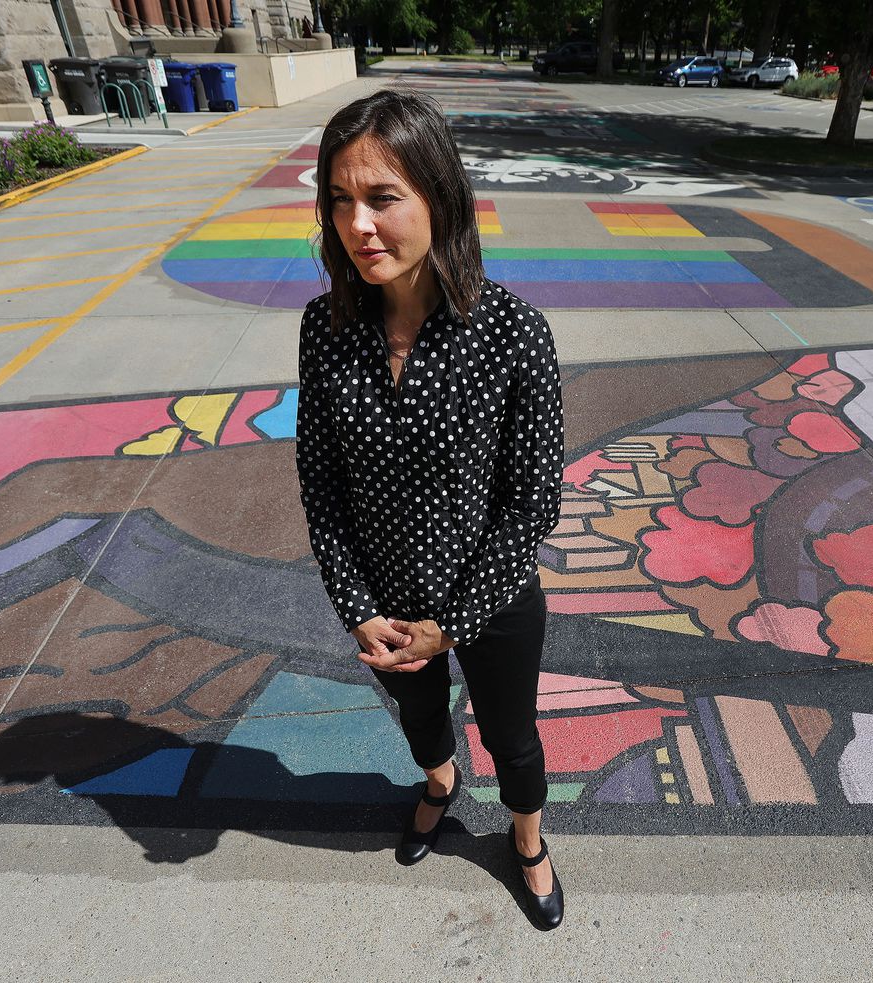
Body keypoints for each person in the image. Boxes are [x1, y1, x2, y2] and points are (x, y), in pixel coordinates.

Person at [294, 88, 565, 930]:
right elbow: (320, 482)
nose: (358, 225)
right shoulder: (325, 328)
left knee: (513, 736)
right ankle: (439, 783)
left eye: (382, 198)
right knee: (419, 719)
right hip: (385, 606)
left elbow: (533, 505)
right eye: (340, 200)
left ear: (439, 198)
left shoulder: (513, 333)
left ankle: (526, 838)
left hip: (491, 597)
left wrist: (452, 624)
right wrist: (356, 605)